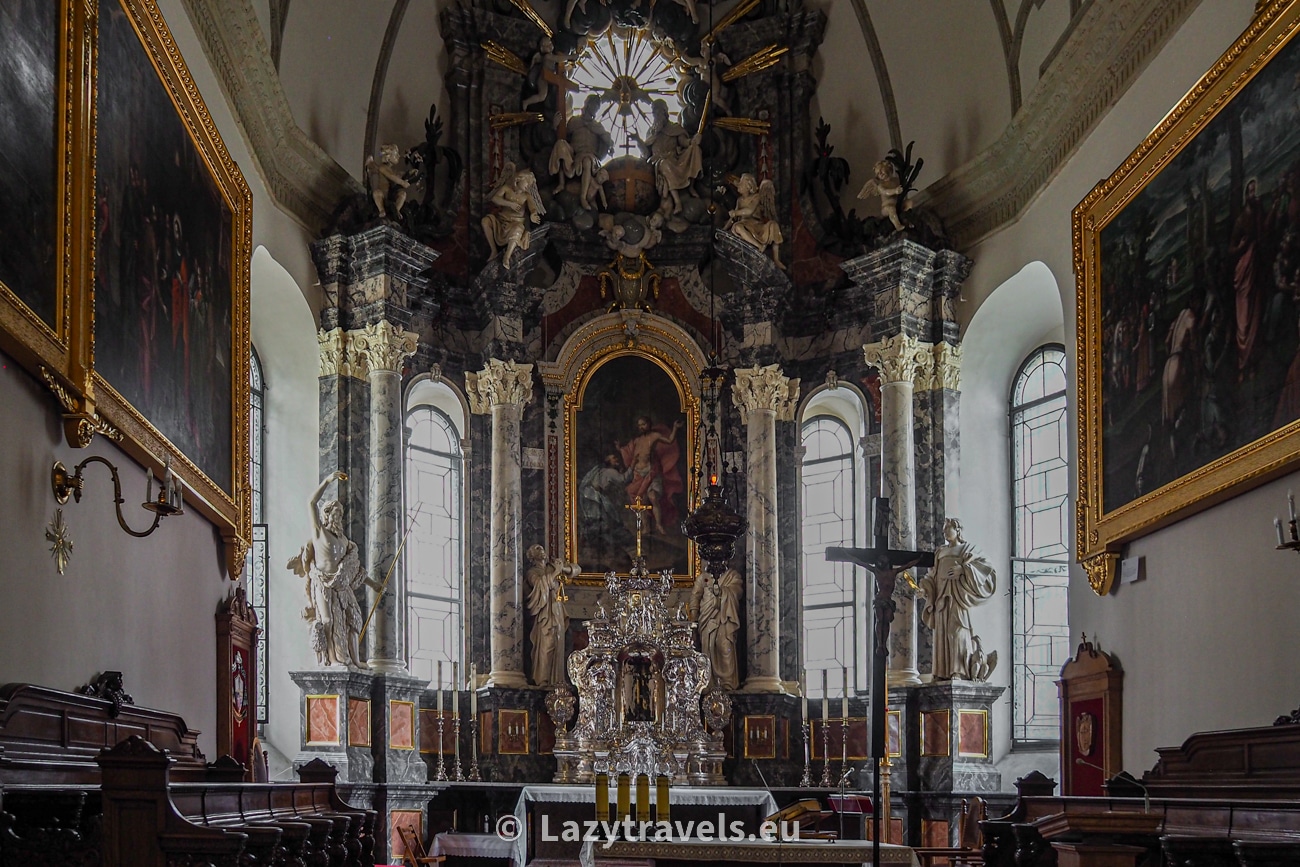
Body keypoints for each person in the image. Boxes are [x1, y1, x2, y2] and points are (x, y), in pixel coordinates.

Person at [287, 472, 382, 668]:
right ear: (327, 515)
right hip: (323, 583)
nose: (338, 517)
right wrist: (328, 481)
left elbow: (353, 570)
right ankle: (331, 660)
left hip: (341, 586)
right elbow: (311, 503)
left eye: (340, 513)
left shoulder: (345, 542)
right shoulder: (319, 532)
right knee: (328, 620)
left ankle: (353, 659)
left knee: (353, 619)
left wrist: (373, 584)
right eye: (334, 513)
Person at [917, 518, 997, 681]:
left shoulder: (968, 549)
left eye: (948, 528)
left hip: (959, 598)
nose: (945, 532)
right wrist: (925, 588)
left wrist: (964, 569)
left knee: (958, 633)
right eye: (944, 529)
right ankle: (941, 673)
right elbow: (932, 576)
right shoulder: (940, 552)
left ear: (958, 530)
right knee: (941, 634)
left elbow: (986, 568)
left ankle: (958, 671)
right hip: (941, 599)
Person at [615, 415, 683, 535]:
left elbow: (670, 440)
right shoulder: (637, 440)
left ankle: (658, 525)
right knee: (641, 501)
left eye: (643, 424)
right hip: (638, 474)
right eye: (639, 425)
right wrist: (620, 449)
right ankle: (646, 527)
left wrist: (675, 428)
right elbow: (629, 453)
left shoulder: (655, 436)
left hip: (651, 473)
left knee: (653, 497)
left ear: (649, 424)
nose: (641, 427)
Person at [635, 99, 703, 215]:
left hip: (675, 159)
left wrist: (693, 141)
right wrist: (638, 141)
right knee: (664, 164)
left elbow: (684, 142)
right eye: (654, 112)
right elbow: (646, 154)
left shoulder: (675, 128)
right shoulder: (652, 132)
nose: (656, 115)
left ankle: (691, 186)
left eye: (658, 111)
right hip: (658, 161)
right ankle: (677, 202)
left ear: (665, 112)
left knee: (696, 149)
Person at [524, 545, 579, 686]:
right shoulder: (532, 572)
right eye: (537, 548)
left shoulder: (551, 567)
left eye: (542, 548)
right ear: (531, 556)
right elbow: (539, 584)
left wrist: (562, 568)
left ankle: (556, 680)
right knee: (546, 644)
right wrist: (556, 572)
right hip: (544, 612)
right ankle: (543, 680)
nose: (542, 550)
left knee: (557, 642)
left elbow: (576, 570)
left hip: (557, 608)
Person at [481, 164, 545, 267]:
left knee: (517, 230)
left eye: (530, 184)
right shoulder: (506, 189)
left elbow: (533, 208)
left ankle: (507, 257)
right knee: (485, 221)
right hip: (501, 221)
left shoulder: (526, 196)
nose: (528, 186)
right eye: (527, 183)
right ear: (519, 179)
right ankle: (493, 251)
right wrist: (510, 204)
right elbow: (495, 199)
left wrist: (533, 214)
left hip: (515, 223)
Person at [691, 567, 741, 689]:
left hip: (725, 618)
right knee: (707, 648)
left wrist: (722, 592)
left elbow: (737, 592)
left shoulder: (732, 575)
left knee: (724, 646)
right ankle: (709, 683)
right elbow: (695, 597)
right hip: (706, 619)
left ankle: (727, 683)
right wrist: (693, 618)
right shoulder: (703, 577)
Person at [726, 173, 784, 270]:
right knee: (737, 227)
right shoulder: (739, 200)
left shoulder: (756, 197)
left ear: (748, 187)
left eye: (741, 184)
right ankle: (759, 246)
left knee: (773, 225)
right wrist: (724, 228)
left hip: (756, 224)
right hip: (744, 224)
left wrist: (736, 213)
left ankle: (776, 259)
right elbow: (733, 219)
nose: (739, 185)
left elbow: (749, 211)